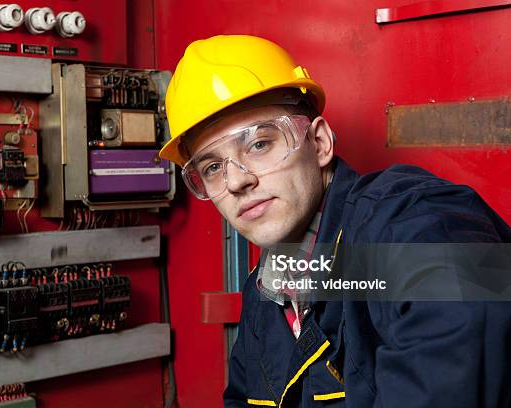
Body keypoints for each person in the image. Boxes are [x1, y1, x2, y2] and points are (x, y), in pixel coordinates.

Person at [158, 35, 511, 407]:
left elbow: (467, 324)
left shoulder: (411, 221)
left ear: (321, 142)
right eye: (213, 167)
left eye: (259, 144)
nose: (236, 181)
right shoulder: (267, 293)